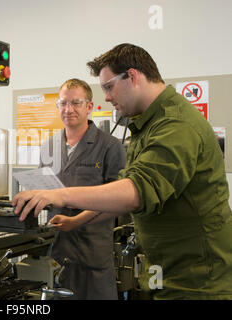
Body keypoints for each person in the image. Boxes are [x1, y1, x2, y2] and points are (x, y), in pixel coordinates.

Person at [13, 43, 232, 300]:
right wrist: (75, 220)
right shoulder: (145, 125)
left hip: (196, 282)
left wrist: (60, 196)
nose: (106, 97)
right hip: (164, 273)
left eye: (108, 86)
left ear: (132, 76)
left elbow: (135, 191)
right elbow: (121, 200)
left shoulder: (175, 124)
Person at [39, 78, 125, 300]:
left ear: (89, 106)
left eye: (76, 103)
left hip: (92, 256)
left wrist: (76, 221)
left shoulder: (110, 147)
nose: (69, 109)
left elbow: (117, 200)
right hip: (56, 252)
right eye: (63, 103)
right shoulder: (48, 146)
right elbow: (43, 191)